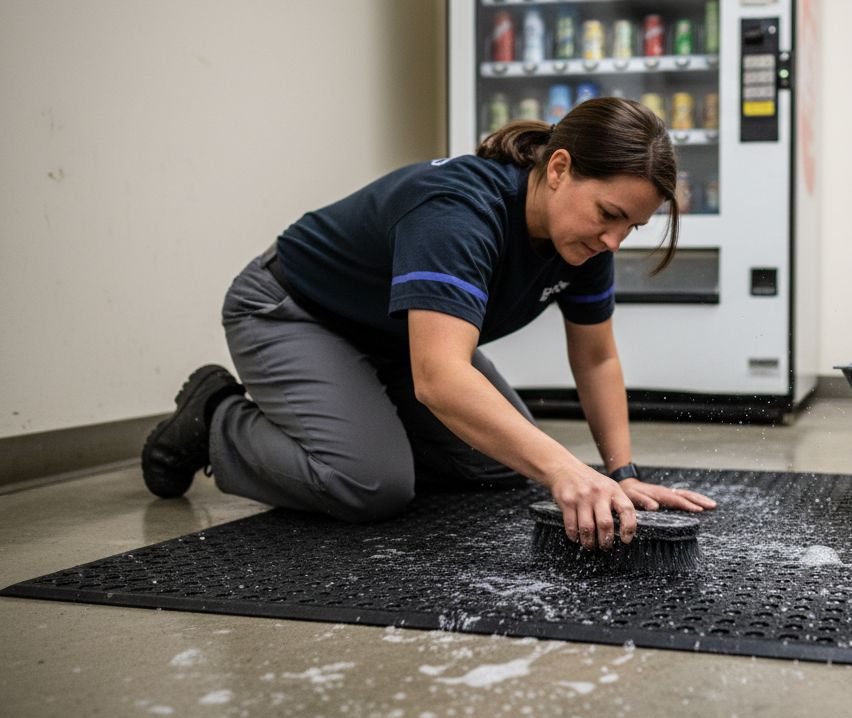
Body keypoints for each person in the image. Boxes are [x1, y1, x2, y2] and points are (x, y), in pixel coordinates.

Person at [141, 97, 716, 551]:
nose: (613, 241)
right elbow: (441, 377)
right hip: (293, 310)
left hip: (392, 336)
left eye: (630, 227)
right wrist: (566, 468)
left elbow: (596, 357)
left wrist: (621, 472)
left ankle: (361, 428)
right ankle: (215, 417)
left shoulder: (586, 244)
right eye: (609, 215)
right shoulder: (458, 213)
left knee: (497, 465)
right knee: (371, 486)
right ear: (560, 168)